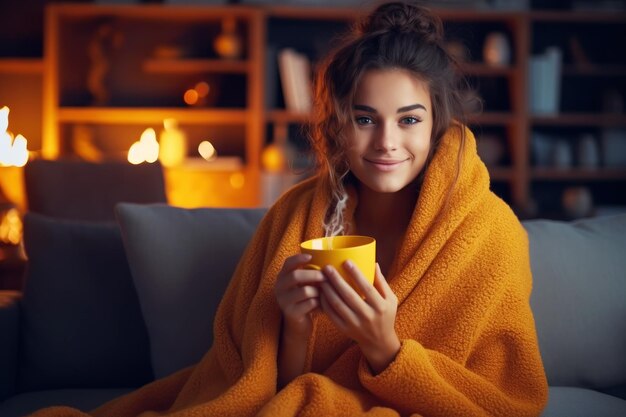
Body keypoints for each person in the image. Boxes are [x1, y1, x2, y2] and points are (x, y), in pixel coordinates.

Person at [30, 2, 548, 416]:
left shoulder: (488, 232)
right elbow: (268, 387)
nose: (387, 142)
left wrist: (386, 349)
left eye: (408, 120)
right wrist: (292, 324)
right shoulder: (295, 216)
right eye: (365, 119)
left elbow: (506, 401)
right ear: (339, 126)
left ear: (436, 124)